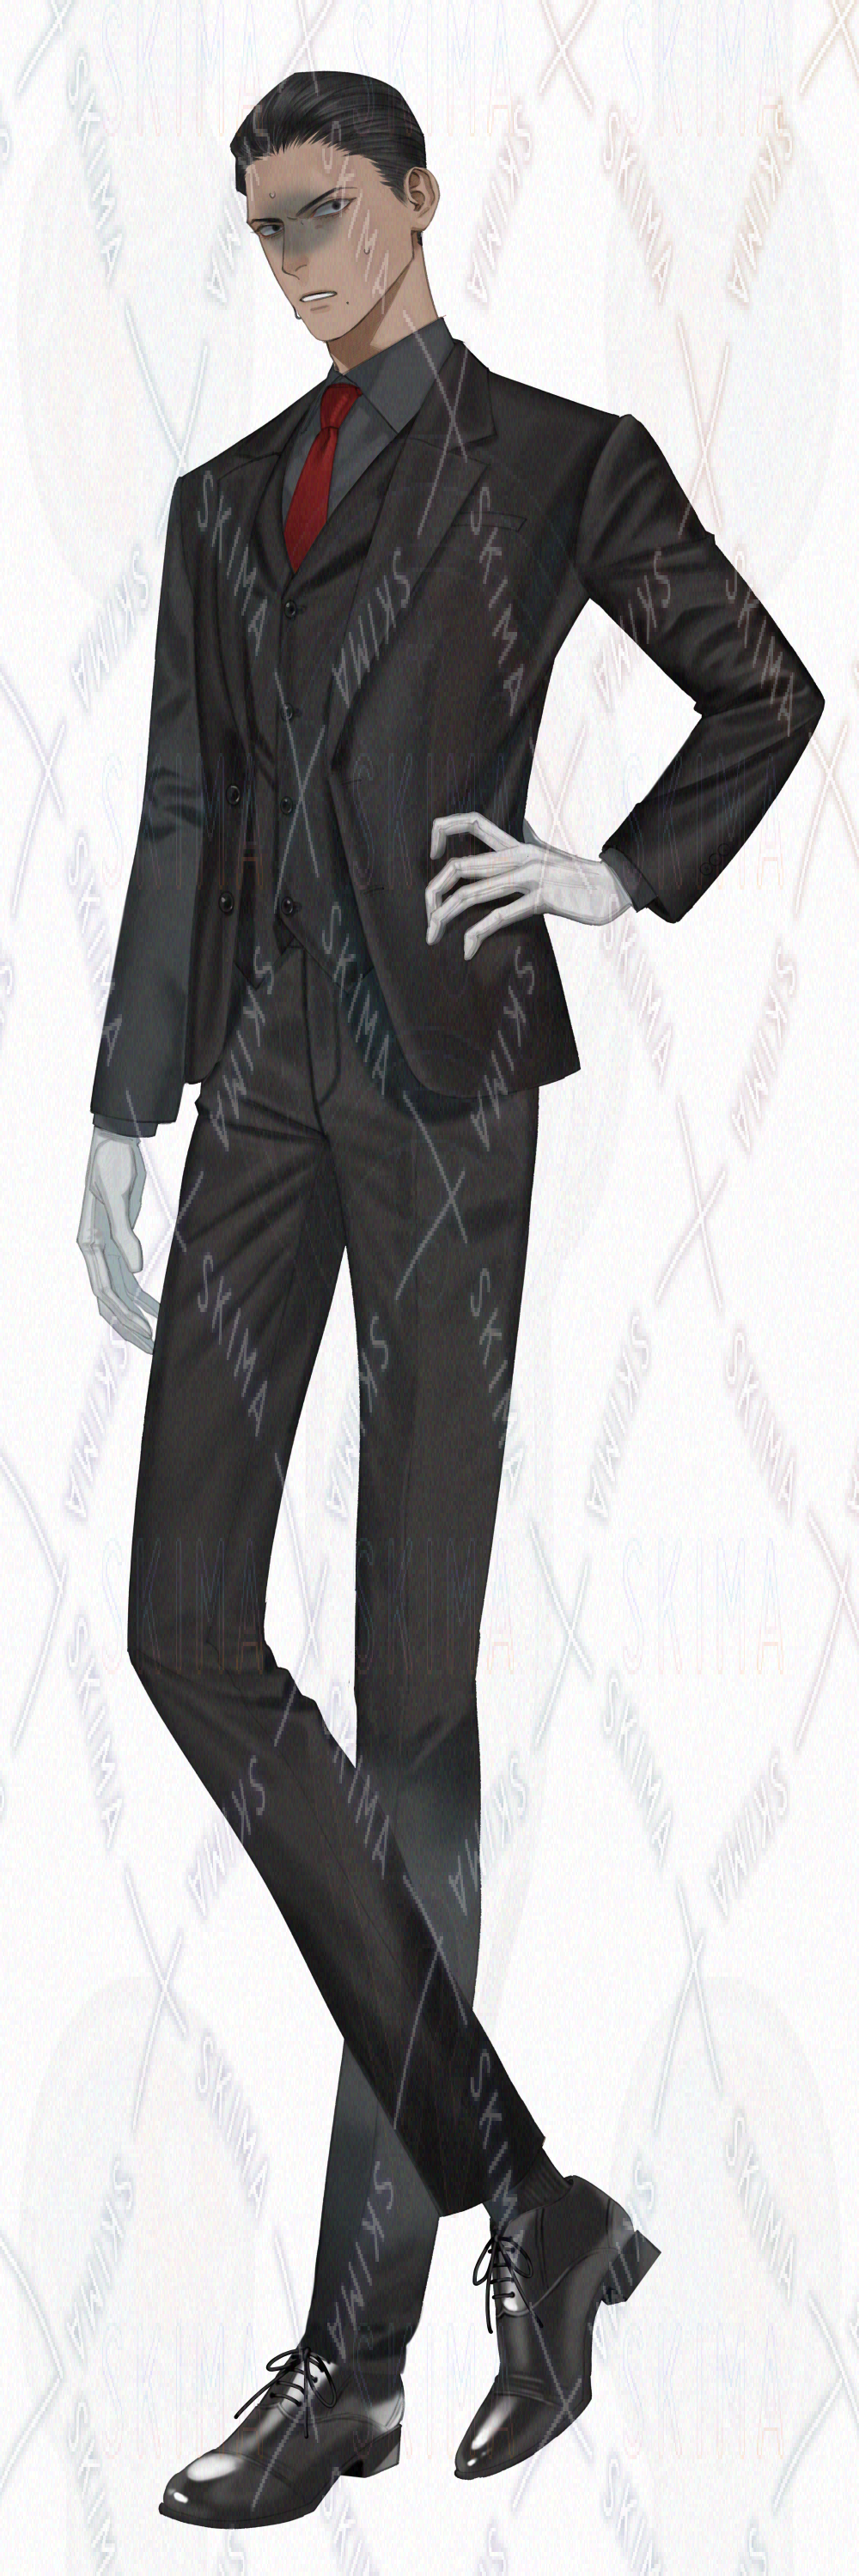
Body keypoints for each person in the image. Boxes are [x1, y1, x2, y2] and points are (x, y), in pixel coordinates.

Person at [76, 65, 824, 2534]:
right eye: (258, 231)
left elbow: (765, 687)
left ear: (416, 205)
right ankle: (535, 2196)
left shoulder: (557, 460)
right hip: (265, 1093)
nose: (283, 262)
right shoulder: (218, 507)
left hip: (450, 1099)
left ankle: (359, 2351)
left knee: (413, 1715)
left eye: (317, 215)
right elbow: (188, 811)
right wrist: (129, 1111)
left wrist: (612, 876)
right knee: (181, 1628)